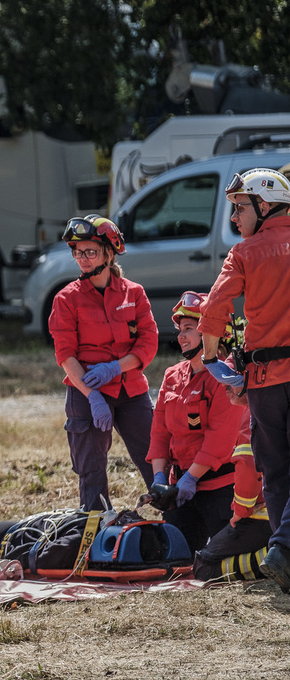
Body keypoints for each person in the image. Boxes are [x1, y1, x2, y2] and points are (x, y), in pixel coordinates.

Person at [197, 168, 290, 587]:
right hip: (269, 376)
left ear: (264, 206)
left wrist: (213, 356)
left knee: (276, 471)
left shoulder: (245, 253)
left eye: (238, 208)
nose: (234, 218)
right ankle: (284, 552)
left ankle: (283, 549)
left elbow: (215, 307)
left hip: (265, 381)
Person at [47, 214, 157, 512]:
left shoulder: (134, 293)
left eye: (90, 252)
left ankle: (181, 529)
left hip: (130, 390)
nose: (82, 258)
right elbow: (66, 356)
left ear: (110, 253)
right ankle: (94, 538)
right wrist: (93, 395)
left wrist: (114, 368)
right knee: (92, 475)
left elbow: (148, 343)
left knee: (158, 464)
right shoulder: (66, 299)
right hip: (87, 393)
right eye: (77, 252)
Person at [146, 292, 246, 551]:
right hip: (180, 491)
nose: (180, 335)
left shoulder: (226, 376)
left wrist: (191, 478)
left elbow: (220, 438)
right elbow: (159, 432)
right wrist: (159, 477)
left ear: (211, 334)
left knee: (215, 563)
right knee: (171, 556)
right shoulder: (172, 375)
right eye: (180, 329)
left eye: (189, 329)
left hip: (219, 490)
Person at [194, 394, 272, 582]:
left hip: (268, 513)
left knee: (204, 567)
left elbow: (247, 463)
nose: (224, 387)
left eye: (231, 376)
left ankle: (278, 560)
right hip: (278, 510)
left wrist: (241, 510)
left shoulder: (256, 409)